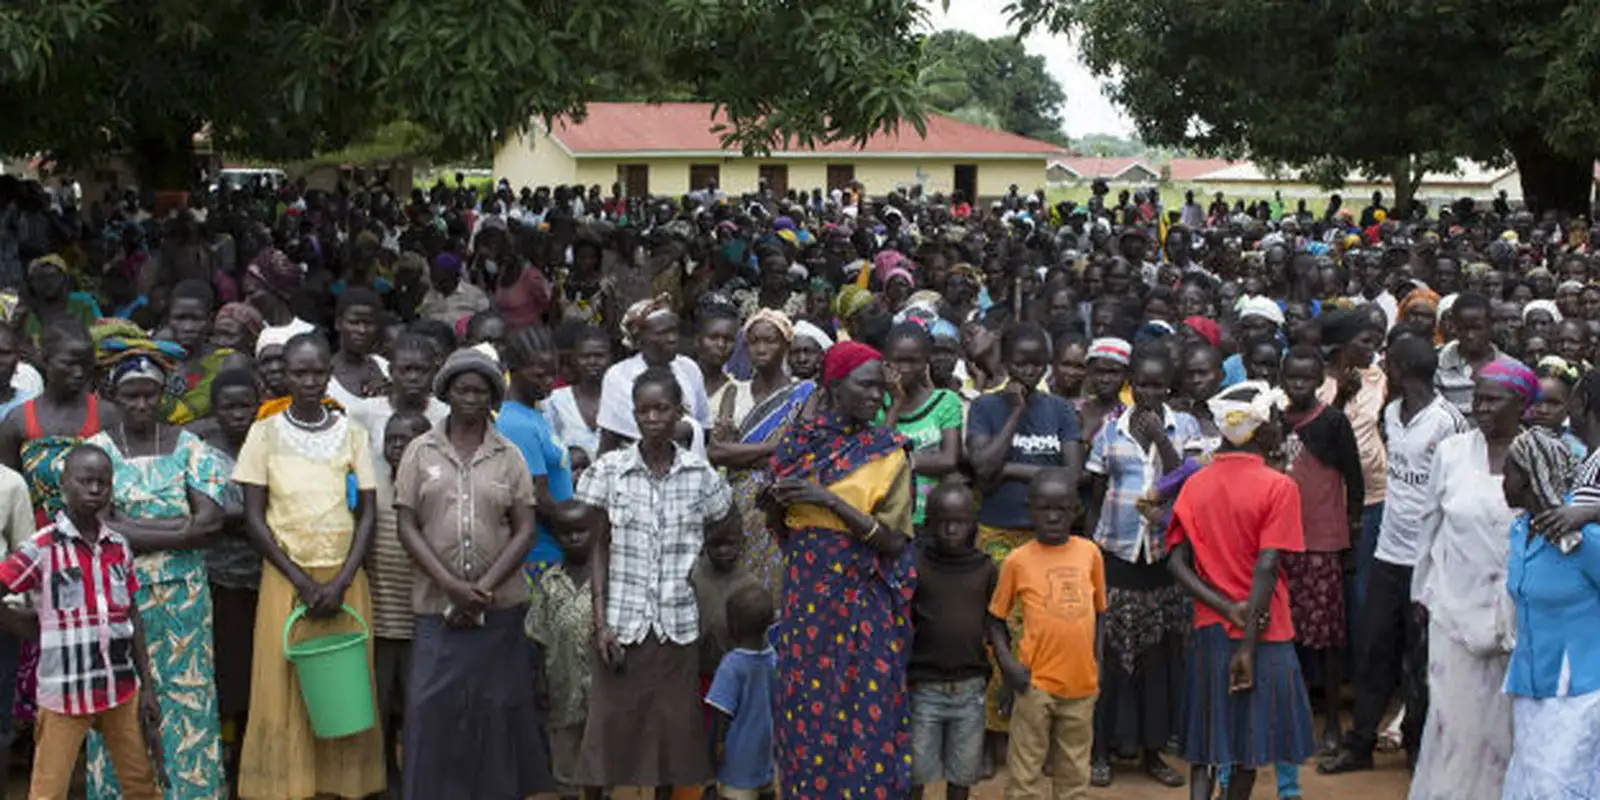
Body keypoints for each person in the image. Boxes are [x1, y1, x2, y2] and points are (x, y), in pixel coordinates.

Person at [392, 346, 552, 798]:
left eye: (481, 391)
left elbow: (524, 529)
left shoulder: (510, 455)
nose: (471, 398)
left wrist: (481, 587)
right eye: (462, 389)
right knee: (429, 707)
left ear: (493, 398)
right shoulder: (420, 452)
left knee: (496, 711)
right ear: (446, 393)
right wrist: (450, 586)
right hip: (435, 608)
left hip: (498, 608)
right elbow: (406, 523)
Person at [574, 366, 739, 797]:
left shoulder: (699, 475)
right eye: (643, 410)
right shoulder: (609, 470)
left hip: (677, 624)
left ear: (678, 413)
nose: (652, 418)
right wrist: (600, 621)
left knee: (673, 737)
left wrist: (697, 575)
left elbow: (727, 526)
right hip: (621, 623)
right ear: (633, 414)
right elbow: (597, 547)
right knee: (607, 732)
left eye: (661, 409)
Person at [234, 332, 385, 799]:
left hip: (343, 579)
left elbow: (369, 513)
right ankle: (288, 786)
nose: (309, 381)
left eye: (319, 372)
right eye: (300, 372)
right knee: (283, 687)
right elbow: (253, 517)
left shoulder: (352, 433)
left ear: (330, 374)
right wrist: (300, 579)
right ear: (284, 375)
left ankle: (342, 784)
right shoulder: (264, 433)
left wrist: (341, 580)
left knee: (344, 687)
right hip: (287, 581)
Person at [766, 341, 915, 798]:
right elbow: (783, 528)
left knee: (863, 712)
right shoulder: (798, 444)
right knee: (808, 713)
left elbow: (893, 542)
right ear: (833, 386)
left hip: (863, 602)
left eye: (881, 387)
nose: (878, 396)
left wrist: (830, 502)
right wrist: (774, 501)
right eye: (866, 385)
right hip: (807, 603)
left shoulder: (889, 453)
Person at [83, 347, 229, 800]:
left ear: (163, 394)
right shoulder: (98, 452)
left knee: (187, 696)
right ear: (114, 396)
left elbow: (210, 523)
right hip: (120, 598)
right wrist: (179, 529)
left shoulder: (191, 447)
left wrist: (130, 529)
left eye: (150, 395)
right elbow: (99, 526)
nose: (142, 404)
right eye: (131, 396)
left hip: (185, 599)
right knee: (120, 696)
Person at [1323, 334, 1470, 774]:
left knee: (1422, 659)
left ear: (1403, 370)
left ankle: (1417, 748)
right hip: (1388, 552)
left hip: (1430, 561)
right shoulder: (1391, 412)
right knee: (1373, 650)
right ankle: (1361, 742)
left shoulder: (1447, 421)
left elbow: (1456, 491)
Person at [1167, 381, 1316, 800]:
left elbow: (1177, 563)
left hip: (1211, 627)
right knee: (1249, 748)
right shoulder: (1279, 487)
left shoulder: (1195, 484)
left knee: (1206, 746)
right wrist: (1247, 638)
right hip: (1263, 632)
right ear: (1262, 431)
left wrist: (1224, 608)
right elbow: (1268, 564)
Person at [0, 445, 163, 799]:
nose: (93, 490)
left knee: (141, 784)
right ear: (64, 486)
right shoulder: (41, 548)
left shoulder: (118, 545)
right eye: (84, 481)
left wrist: (147, 685)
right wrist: (24, 624)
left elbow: (131, 613)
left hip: (119, 687)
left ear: (111, 487)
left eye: (101, 483)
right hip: (64, 692)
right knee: (49, 790)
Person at [1407, 359, 1527, 800]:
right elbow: (1429, 524)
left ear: (1522, 403)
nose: (1482, 407)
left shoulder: (1540, 454)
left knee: (1505, 726)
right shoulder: (1451, 453)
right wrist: (1420, 594)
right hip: (1452, 611)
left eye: (1494, 399)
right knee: (1452, 723)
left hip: (1518, 618)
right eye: (1478, 398)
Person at [966, 323, 1082, 757]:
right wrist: (1015, 412)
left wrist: (1010, 469)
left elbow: (1072, 477)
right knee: (998, 637)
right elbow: (981, 468)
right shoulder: (986, 407)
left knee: (1048, 633)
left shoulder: (1061, 411)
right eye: (1020, 362)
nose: (1029, 371)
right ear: (1005, 361)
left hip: (1048, 540)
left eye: (1037, 363)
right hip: (997, 534)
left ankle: (1042, 738)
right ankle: (997, 738)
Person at [1083, 346, 1197, 788]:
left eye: (1158, 385)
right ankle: (1100, 751)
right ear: (1133, 383)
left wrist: (1164, 440)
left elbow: (1186, 480)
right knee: (1109, 658)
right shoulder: (1110, 432)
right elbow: (1094, 498)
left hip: (1164, 560)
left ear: (1169, 385)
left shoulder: (1182, 427)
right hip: (1116, 557)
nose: (1149, 393)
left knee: (1155, 660)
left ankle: (1153, 753)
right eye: (1143, 384)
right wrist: (1094, 552)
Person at [0, 320, 117, 730]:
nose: (80, 373)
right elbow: (9, 493)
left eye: (87, 365)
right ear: (46, 362)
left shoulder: (105, 413)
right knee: (44, 671)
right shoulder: (18, 422)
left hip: (95, 555)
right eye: (70, 364)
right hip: (38, 560)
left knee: (96, 665)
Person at [988, 469, 1105, 800]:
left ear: (1074, 511)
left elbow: (1100, 613)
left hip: (1082, 684)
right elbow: (994, 619)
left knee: (1074, 772)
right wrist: (1009, 667)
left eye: (1062, 509)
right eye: (1044, 509)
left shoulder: (1090, 554)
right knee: (1025, 773)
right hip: (1035, 683)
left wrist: (1099, 662)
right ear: (1030, 510)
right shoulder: (1017, 561)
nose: (1053, 517)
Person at [1501, 428, 1600, 798]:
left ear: (1529, 477)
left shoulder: (1583, 538)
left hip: (1579, 689)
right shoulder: (1520, 530)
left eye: (1508, 472)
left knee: (1561, 785)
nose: (1501, 481)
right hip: (1530, 683)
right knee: (1529, 781)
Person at [1279, 345, 1363, 748]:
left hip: (1322, 541)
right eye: (1291, 377)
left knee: (1326, 637)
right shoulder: (1272, 421)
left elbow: (1355, 479)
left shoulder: (1331, 422)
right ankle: (1288, 720)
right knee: (1284, 636)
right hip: (1281, 539)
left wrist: (1352, 531)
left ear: (1318, 381)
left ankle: (1331, 721)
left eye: (1306, 378)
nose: (1298, 385)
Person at [706, 309, 816, 599]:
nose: (761, 348)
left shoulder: (804, 393)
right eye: (754, 342)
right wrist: (777, 448)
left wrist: (738, 451)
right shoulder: (732, 393)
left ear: (786, 346)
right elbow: (716, 453)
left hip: (781, 507)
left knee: (778, 586)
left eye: (770, 341)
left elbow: (802, 449)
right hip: (736, 507)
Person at [191, 368, 261, 795]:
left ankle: (252, 763)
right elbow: (199, 517)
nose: (237, 414)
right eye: (228, 407)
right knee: (222, 676)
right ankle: (223, 759)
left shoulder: (270, 444)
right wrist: (250, 517)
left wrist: (229, 518)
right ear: (215, 410)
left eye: (245, 406)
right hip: (215, 579)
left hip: (264, 577)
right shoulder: (200, 450)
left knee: (256, 675)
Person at [908, 480, 995, 800]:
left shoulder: (984, 569)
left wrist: (1007, 667)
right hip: (924, 687)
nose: (950, 529)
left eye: (959, 521)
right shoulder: (917, 565)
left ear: (972, 523)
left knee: (963, 770)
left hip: (970, 688)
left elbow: (993, 623)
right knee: (915, 769)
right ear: (928, 524)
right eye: (942, 522)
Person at [498, 327, 577, 580]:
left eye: (553, 374)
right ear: (514, 369)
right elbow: (537, 497)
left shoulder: (535, 414)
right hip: (539, 555)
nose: (549, 383)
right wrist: (575, 537)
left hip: (551, 549)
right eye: (540, 375)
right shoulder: (516, 423)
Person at [525, 517, 595, 798]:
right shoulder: (549, 581)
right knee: (565, 747)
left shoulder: (606, 581)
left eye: (582, 531)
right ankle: (566, 789)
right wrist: (540, 679)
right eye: (567, 532)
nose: (575, 538)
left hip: (598, 688)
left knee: (597, 748)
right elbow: (537, 634)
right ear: (557, 538)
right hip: (561, 684)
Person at [596, 296, 712, 455]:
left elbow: (705, 427)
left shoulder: (689, 368)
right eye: (662, 333)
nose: (673, 338)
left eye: (674, 331)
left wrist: (692, 429)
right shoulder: (619, 376)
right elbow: (612, 436)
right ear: (639, 339)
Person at [879, 322, 963, 534]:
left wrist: (900, 460)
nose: (905, 369)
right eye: (898, 361)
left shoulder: (945, 401)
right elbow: (877, 457)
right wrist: (896, 401)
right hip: (889, 520)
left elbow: (949, 459)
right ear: (886, 361)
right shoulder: (878, 403)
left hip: (934, 519)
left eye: (913, 361)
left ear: (926, 362)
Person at [705, 583, 779, 800]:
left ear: (733, 626)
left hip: (738, 762)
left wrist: (716, 745)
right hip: (765, 755)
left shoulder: (732, 665)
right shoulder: (773, 658)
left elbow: (721, 712)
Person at [163, 279, 250, 425]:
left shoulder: (227, 362)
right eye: (180, 318)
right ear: (169, 320)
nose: (188, 327)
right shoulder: (156, 360)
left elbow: (234, 419)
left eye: (196, 319)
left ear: (210, 320)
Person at [543, 324, 608, 473]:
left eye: (599, 356)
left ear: (611, 357)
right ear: (574, 359)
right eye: (585, 356)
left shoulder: (621, 397)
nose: (592, 361)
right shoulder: (555, 401)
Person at [327, 287, 391, 409]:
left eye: (368, 323)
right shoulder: (324, 376)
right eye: (354, 322)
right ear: (338, 324)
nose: (362, 330)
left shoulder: (385, 367)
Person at [415, 252, 491, 327]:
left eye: (442, 278)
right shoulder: (427, 295)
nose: (435, 279)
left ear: (454, 275)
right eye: (433, 275)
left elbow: (485, 319)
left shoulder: (474, 294)